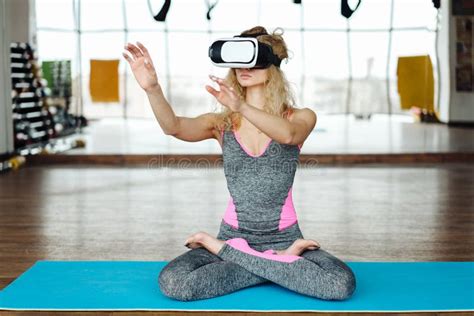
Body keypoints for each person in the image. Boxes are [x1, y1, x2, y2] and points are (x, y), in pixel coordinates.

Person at [123, 25, 356, 301]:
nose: (242, 69)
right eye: (237, 63)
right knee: (175, 282)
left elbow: (289, 135)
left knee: (341, 283)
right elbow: (173, 127)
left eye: (252, 61)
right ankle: (279, 262)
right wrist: (152, 88)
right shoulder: (222, 124)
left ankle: (229, 253)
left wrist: (242, 106)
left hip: (284, 238)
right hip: (233, 235)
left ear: (272, 65)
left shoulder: (299, 117)